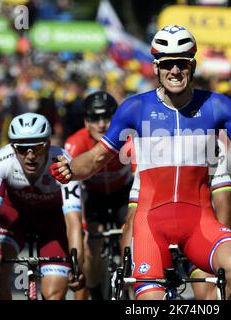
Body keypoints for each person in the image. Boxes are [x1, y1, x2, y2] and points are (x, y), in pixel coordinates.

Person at [50, 25, 231, 300]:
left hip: (198, 222)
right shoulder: (135, 108)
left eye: (181, 63)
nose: (175, 71)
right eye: (168, 64)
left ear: (192, 66)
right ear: (156, 68)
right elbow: (98, 157)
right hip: (151, 225)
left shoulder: (217, 105)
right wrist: (70, 168)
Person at [0, 112, 84, 300]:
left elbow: (73, 221)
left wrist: (77, 264)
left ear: (47, 145)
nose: (30, 156)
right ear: (13, 147)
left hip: (52, 224)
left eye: (37, 148)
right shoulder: (0, 162)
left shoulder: (62, 163)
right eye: (22, 149)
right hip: (14, 220)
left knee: (53, 294)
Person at [124, 135, 231, 299]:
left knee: (207, 293)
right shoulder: (148, 142)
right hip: (156, 226)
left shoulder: (214, 144)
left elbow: (223, 203)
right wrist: (128, 270)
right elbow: (133, 216)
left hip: (197, 228)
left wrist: (216, 249)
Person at [64, 91, 133, 300]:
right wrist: (81, 225)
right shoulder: (74, 144)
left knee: (131, 245)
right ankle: (96, 295)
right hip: (94, 198)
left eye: (107, 117)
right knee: (92, 246)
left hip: (124, 194)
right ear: (86, 122)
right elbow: (69, 191)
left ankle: (133, 290)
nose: (102, 124)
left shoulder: (128, 138)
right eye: (95, 119)